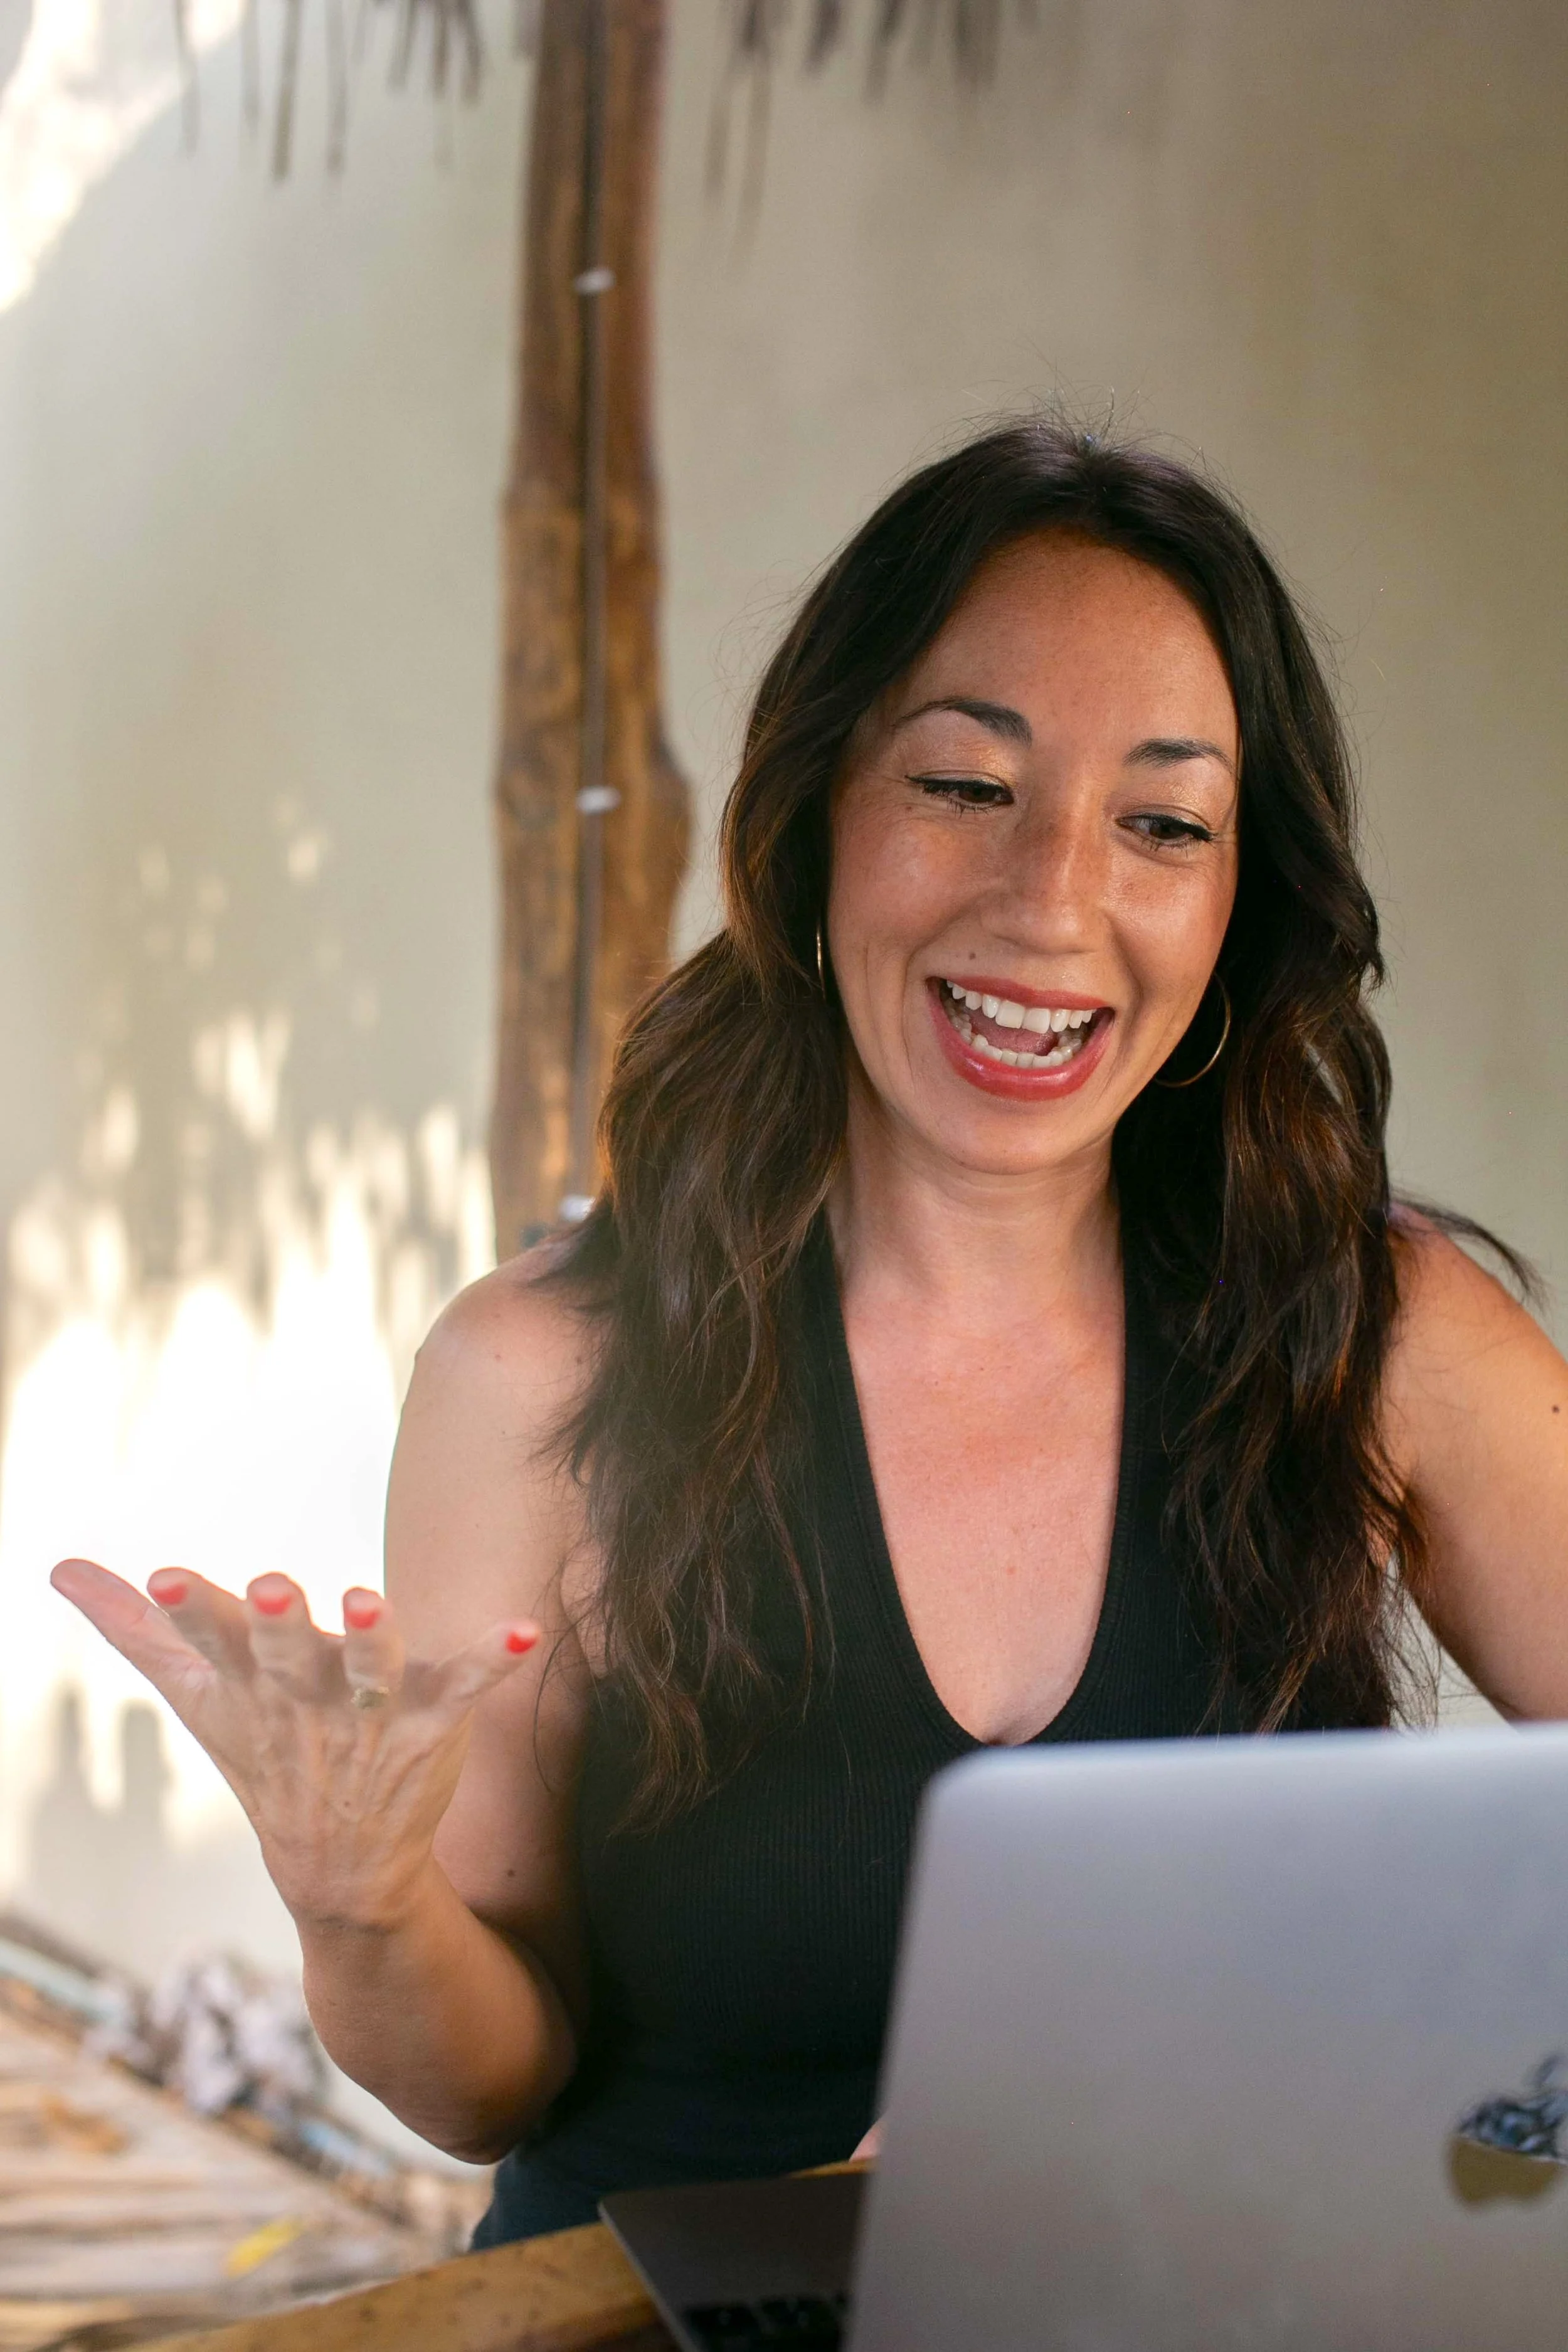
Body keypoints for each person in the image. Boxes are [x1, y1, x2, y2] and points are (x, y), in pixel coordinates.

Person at [54, 420, 1568, 2246]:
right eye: (961, 784)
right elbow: (481, 2084)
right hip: (654, 2312)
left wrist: (1442, 2127)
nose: (1051, 901)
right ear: (814, 809)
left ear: (1240, 902)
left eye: (1161, 822)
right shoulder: (541, 1379)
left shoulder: (1378, 1338)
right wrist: (363, 1906)